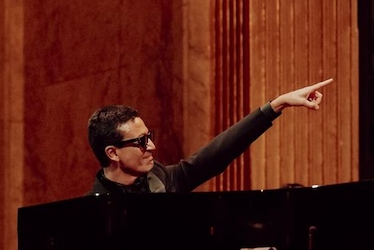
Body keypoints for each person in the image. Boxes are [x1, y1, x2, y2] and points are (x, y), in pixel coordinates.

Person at [87, 78, 333, 194]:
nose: (151, 146)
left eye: (148, 136)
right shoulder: (92, 213)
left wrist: (278, 105)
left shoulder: (163, 179)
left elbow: (219, 152)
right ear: (113, 152)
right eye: (140, 142)